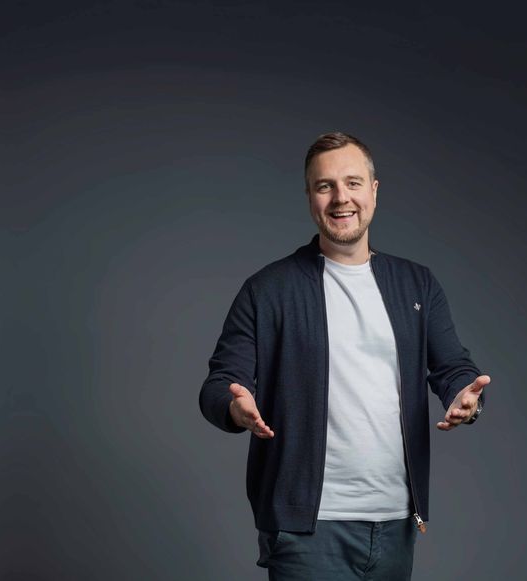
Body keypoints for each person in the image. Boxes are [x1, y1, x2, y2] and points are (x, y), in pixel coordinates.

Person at [199, 131, 490, 580]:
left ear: (373, 190)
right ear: (310, 197)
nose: (341, 198)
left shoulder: (416, 284)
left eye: (353, 183)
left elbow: (453, 368)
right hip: (305, 530)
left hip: (395, 522)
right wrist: (236, 408)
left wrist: (465, 399)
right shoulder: (268, 289)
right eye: (325, 186)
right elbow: (220, 384)